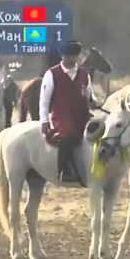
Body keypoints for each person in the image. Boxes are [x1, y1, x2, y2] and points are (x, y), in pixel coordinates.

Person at [39, 40, 96, 185]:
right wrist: (44, 120)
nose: (70, 60)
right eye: (67, 57)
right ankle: (64, 171)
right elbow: (44, 100)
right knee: (69, 134)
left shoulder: (84, 75)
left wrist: (95, 102)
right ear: (62, 57)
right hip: (61, 115)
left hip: (82, 115)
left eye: (73, 57)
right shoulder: (51, 74)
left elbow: (90, 95)